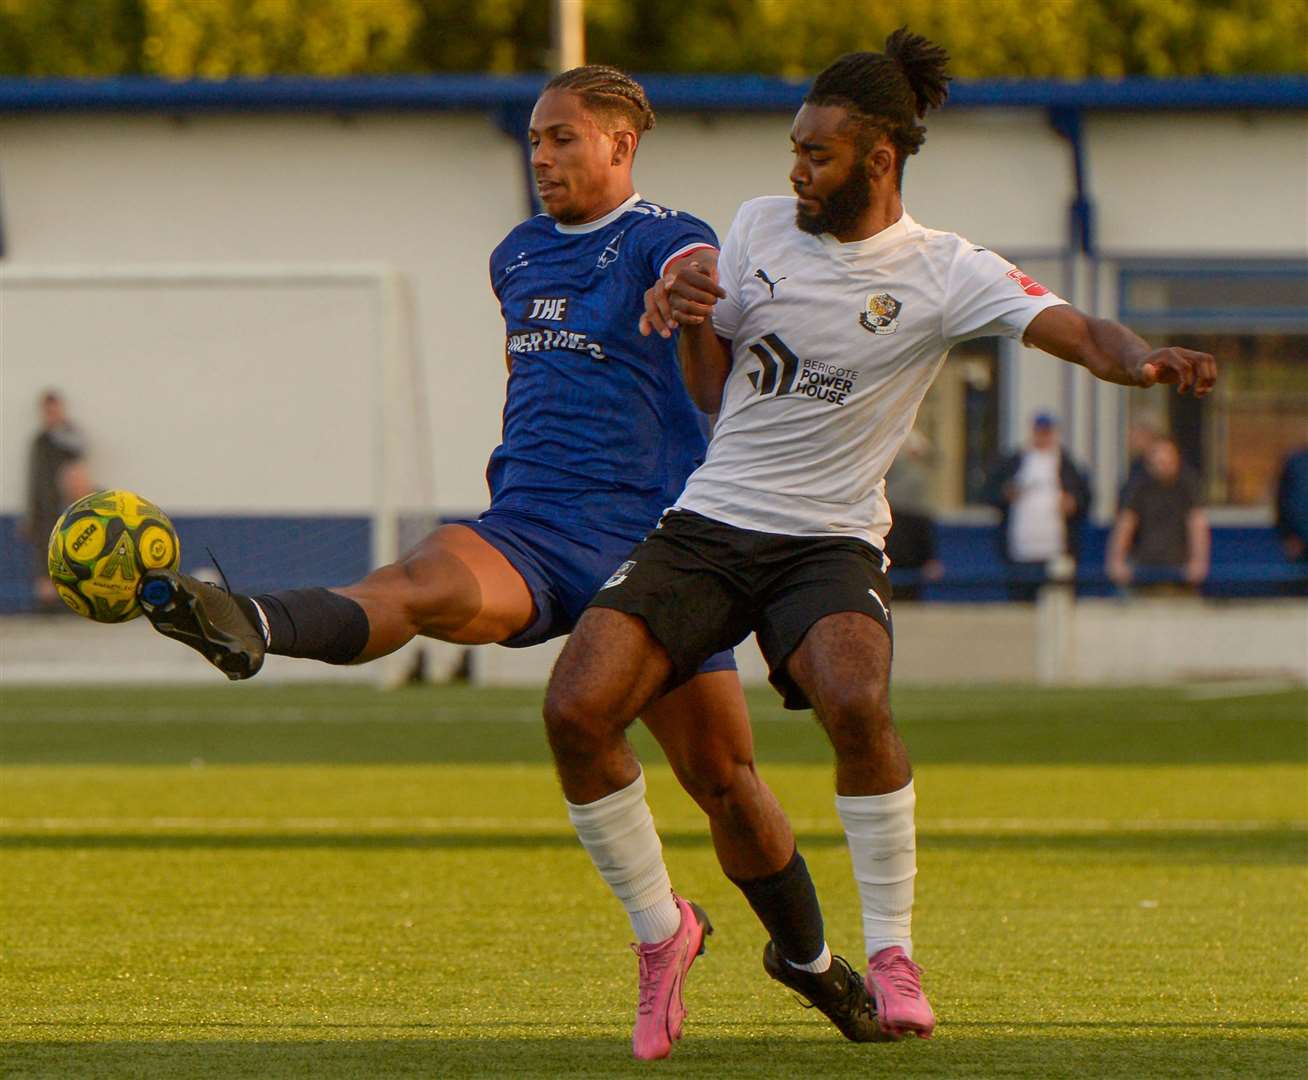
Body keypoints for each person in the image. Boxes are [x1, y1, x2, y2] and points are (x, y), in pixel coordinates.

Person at [135, 66, 875, 1059]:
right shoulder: (516, 254)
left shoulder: (667, 236)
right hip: (528, 523)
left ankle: (812, 961)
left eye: (564, 137)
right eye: (534, 139)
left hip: (656, 548)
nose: (541, 155)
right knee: (421, 584)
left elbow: (700, 266)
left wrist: (689, 288)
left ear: (621, 144)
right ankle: (248, 623)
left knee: (726, 780)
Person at [544, 29, 1216, 1049]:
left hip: (828, 541)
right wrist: (690, 315)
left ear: (879, 159)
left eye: (816, 154)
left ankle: (894, 954)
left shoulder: (945, 270)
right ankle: (662, 936)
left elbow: (1078, 330)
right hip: (711, 522)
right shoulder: (760, 225)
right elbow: (715, 392)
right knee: (575, 709)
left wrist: (1144, 361)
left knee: (856, 701)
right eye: (794, 149)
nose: (795, 171)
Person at [984, 413, 1092, 600]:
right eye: (1039, 432)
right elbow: (989, 493)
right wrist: (1006, 494)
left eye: (1047, 432)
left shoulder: (1067, 464)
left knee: (1057, 601)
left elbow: (1085, 497)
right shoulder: (1014, 461)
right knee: (1021, 601)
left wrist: (1072, 503)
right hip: (1020, 549)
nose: (1043, 436)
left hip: (1056, 549)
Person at [1106, 436, 1209, 593]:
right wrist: (1116, 561)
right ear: (1149, 463)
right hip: (1144, 567)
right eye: (1158, 462)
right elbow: (1126, 522)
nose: (1163, 466)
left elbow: (1197, 524)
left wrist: (1198, 562)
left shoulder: (1187, 486)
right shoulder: (1138, 487)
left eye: (1168, 462)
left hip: (1179, 569)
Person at [23, 390, 93, 611]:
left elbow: (80, 459)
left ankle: (74, 601)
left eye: (54, 410)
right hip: (43, 509)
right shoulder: (39, 440)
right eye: (47, 411)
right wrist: (31, 513)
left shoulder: (70, 436)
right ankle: (48, 604)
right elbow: (33, 479)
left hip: (68, 508)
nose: (50, 415)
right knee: (44, 557)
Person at [883, 430, 943, 600]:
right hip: (891, 517)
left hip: (912, 521)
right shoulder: (890, 439)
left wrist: (930, 558)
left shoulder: (920, 475)